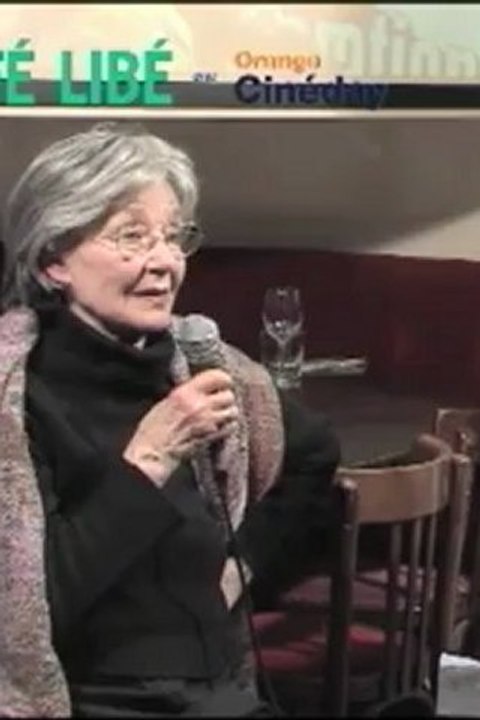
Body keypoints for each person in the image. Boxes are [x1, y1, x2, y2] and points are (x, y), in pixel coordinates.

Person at [0, 123, 340, 717]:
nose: (164, 263)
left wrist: (243, 567)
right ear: (55, 260)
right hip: (93, 698)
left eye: (173, 236)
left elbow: (314, 453)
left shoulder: (201, 363)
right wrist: (150, 459)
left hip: (219, 687)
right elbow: (31, 608)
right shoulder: (19, 395)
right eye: (132, 237)